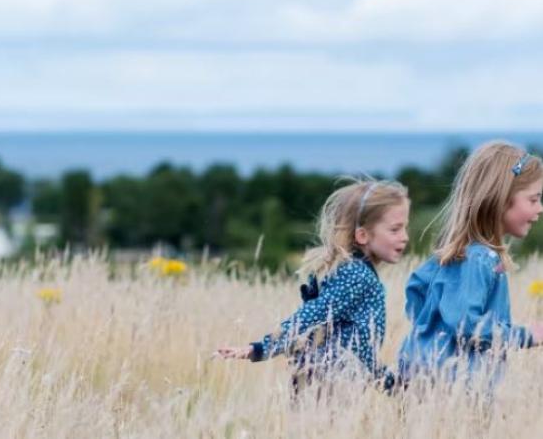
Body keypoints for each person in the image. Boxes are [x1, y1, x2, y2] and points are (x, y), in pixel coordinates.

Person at [216, 178, 410, 393]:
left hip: (326, 381)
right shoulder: (357, 276)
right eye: (395, 230)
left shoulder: (354, 273)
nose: (405, 237)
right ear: (362, 235)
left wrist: (391, 384)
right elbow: (312, 315)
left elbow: (359, 352)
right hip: (331, 386)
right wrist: (261, 348)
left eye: (405, 228)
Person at [398, 141, 543, 385]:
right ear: (501, 198)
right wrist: (526, 335)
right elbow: (467, 325)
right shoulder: (478, 259)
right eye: (533, 200)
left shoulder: (463, 254)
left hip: (434, 377)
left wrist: (430, 337)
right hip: (457, 386)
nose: (540, 208)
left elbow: (416, 291)